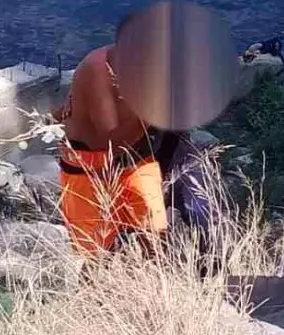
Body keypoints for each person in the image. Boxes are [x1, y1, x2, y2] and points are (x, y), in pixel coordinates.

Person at [58, 38, 210, 257]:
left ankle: (161, 274)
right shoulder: (98, 71)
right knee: (92, 253)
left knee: (155, 236)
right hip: (91, 167)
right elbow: (113, 145)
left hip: (139, 158)